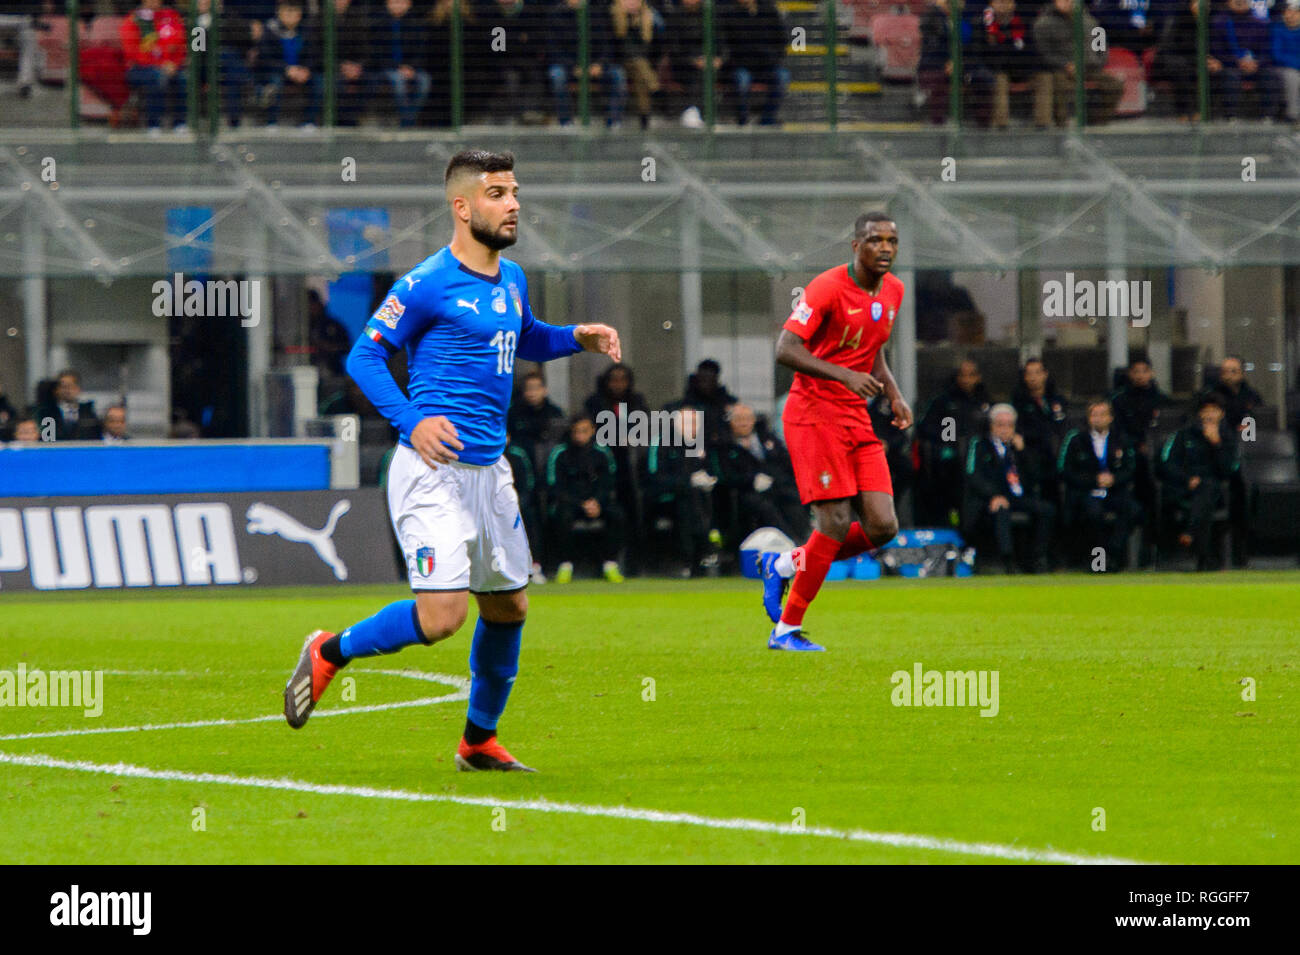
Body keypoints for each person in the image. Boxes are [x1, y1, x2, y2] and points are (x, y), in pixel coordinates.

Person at [283, 149, 622, 775]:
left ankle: (478, 743)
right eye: (497, 193)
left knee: (509, 608)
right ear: (462, 207)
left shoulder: (512, 279)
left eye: (515, 190)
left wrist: (575, 336)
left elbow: (523, 336)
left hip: (491, 473)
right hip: (431, 470)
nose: (514, 203)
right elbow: (364, 357)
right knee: (444, 617)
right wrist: (412, 419)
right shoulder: (425, 282)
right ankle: (331, 649)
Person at [756, 211, 911, 651]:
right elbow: (785, 348)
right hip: (813, 412)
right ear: (855, 245)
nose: (885, 248)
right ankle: (785, 630)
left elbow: (873, 348)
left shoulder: (894, 290)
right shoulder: (826, 288)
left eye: (892, 241)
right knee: (836, 521)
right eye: (875, 240)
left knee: (883, 526)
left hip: (855, 415)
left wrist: (894, 394)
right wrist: (843, 376)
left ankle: (785, 563)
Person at [962, 404, 1055, 573]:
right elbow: (972, 475)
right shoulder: (979, 444)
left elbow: (1036, 476)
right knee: (1001, 510)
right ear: (991, 426)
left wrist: (1023, 452)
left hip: (1017, 496)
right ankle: (1007, 561)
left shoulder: (1019, 447)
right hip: (989, 498)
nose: (1005, 429)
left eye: (1009, 425)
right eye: (1000, 425)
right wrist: (994, 495)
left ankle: (1037, 559)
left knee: (1046, 510)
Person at [1158, 394, 1238, 570]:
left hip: (1215, 491)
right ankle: (1204, 557)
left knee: (1206, 492)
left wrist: (1216, 444)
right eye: (1206, 411)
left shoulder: (1228, 437)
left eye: (1214, 411)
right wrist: (1187, 479)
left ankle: (1191, 535)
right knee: (1203, 503)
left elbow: (1229, 470)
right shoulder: (1183, 435)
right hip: (1184, 488)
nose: (1209, 415)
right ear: (1199, 414)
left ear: (1221, 414)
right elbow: (1168, 464)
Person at [1058, 398, 1139, 571]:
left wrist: (1114, 479)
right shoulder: (1076, 440)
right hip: (1087, 492)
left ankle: (1113, 552)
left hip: (1114, 492)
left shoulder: (1122, 439)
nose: (1098, 419)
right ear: (1088, 418)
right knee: (1093, 514)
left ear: (1110, 417)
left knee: (1132, 510)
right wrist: (1093, 480)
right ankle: (1099, 562)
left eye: (1102, 415)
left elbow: (1131, 469)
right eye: (1094, 415)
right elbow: (1065, 470)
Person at [546, 414, 627, 583]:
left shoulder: (602, 453)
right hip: (570, 503)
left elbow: (609, 483)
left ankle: (610, 564)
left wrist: (597, 502)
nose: (579, 436)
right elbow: (555, 487)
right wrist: (580, 503)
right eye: (576, 432)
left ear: (592, 431)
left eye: (584, 431)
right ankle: (565, 565)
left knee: (617, 514)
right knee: (562, 516)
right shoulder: (560, 453)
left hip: (598, 503)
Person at [716, 401, 808, 544]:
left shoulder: (766, 437)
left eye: (747, 419)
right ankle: (790, 543)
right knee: (766, 508)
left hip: (777, 484)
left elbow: (784, 460)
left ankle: (804, 541)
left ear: (753, 420)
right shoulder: (725, 445)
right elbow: (726, 475)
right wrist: (751, 480)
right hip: (747, 491)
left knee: (794, 498)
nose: (743, 423)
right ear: (731, 422)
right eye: (739, 420)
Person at [1033, 0, 1123, 125]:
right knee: (1061, 85)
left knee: (1115, 85)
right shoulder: (1044, 24)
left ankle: (1097, 121)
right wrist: (1064, 64)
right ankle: (1062, 123)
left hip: (1091, 68)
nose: (1067, 2)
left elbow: (1102, 46)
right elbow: (1044, 53)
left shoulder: (1091, 21)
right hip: (1063, 70)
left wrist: (1098, 62)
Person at [121, 0, 188, 132]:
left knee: (183, 78)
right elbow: (133, 53)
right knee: (157, 77)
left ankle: (180, 124)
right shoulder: (133, 19)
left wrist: (174, 64)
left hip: (173, 66)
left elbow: (182, 44)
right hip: (140, 68)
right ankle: (154, 125)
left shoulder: (172, 16)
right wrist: (161, 64)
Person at [720, 0, 789, 126]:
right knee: (742, 79)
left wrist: (772, 57)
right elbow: (727, 44)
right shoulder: (730, 14)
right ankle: (743, 120)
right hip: (741, 65)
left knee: (783, 76)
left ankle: (766, 121)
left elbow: (782, 40)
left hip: (767, 65)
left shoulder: (769, 11)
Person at [258, 0, 321, 127]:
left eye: (294, 12)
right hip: (278, 71)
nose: (291, 16)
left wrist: (306, 69)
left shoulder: (307, 31)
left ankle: (309, 122)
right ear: (280, 13)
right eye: (287, 12)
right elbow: (265, 58)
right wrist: (286, 70)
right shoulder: (270, 30)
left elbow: (313, 54)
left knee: (319, 82)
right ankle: (272, 122)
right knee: (275, 83)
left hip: (300, 72)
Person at [372, 0, 431, 127]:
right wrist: (396, 68)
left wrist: (411, 67)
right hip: (388, 69)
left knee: (424, 81)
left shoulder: (416, 24)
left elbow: (421, 50)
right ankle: (408, 122)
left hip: (411, 68)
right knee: (398, 82)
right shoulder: (379, 24)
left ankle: (408, 120)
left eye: (401, 2)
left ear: (409, 4)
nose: (397, 5)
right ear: (387, 4)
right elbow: (377, 53)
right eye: (394, 2)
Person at [507, 369, 566, 471]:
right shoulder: (514, 413)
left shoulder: (554, 413)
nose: (532, 393)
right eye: (528, 389)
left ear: (544, 390)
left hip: (548, 464)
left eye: (536, 388)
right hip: (522, 464)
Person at [34, 369, 102, 441]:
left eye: (71, 386)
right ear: (56, 390)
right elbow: (46, 439)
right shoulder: (46, 413)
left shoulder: (89, 412)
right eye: (63, 387)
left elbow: (95, 436)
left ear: (78, 389)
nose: (67, 390)